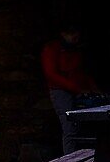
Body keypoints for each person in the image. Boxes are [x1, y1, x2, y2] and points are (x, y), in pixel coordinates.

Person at [41, 26, 99, 154]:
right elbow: (52, 74)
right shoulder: (52, 49)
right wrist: (76, 88)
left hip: (78, 91)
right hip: (61, 91)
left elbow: (82, 71)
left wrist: (92, 88)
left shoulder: (75, 49)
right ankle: (70, 161)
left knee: (82, 127)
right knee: (70, 128)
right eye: (73, 35)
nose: (76, 39)